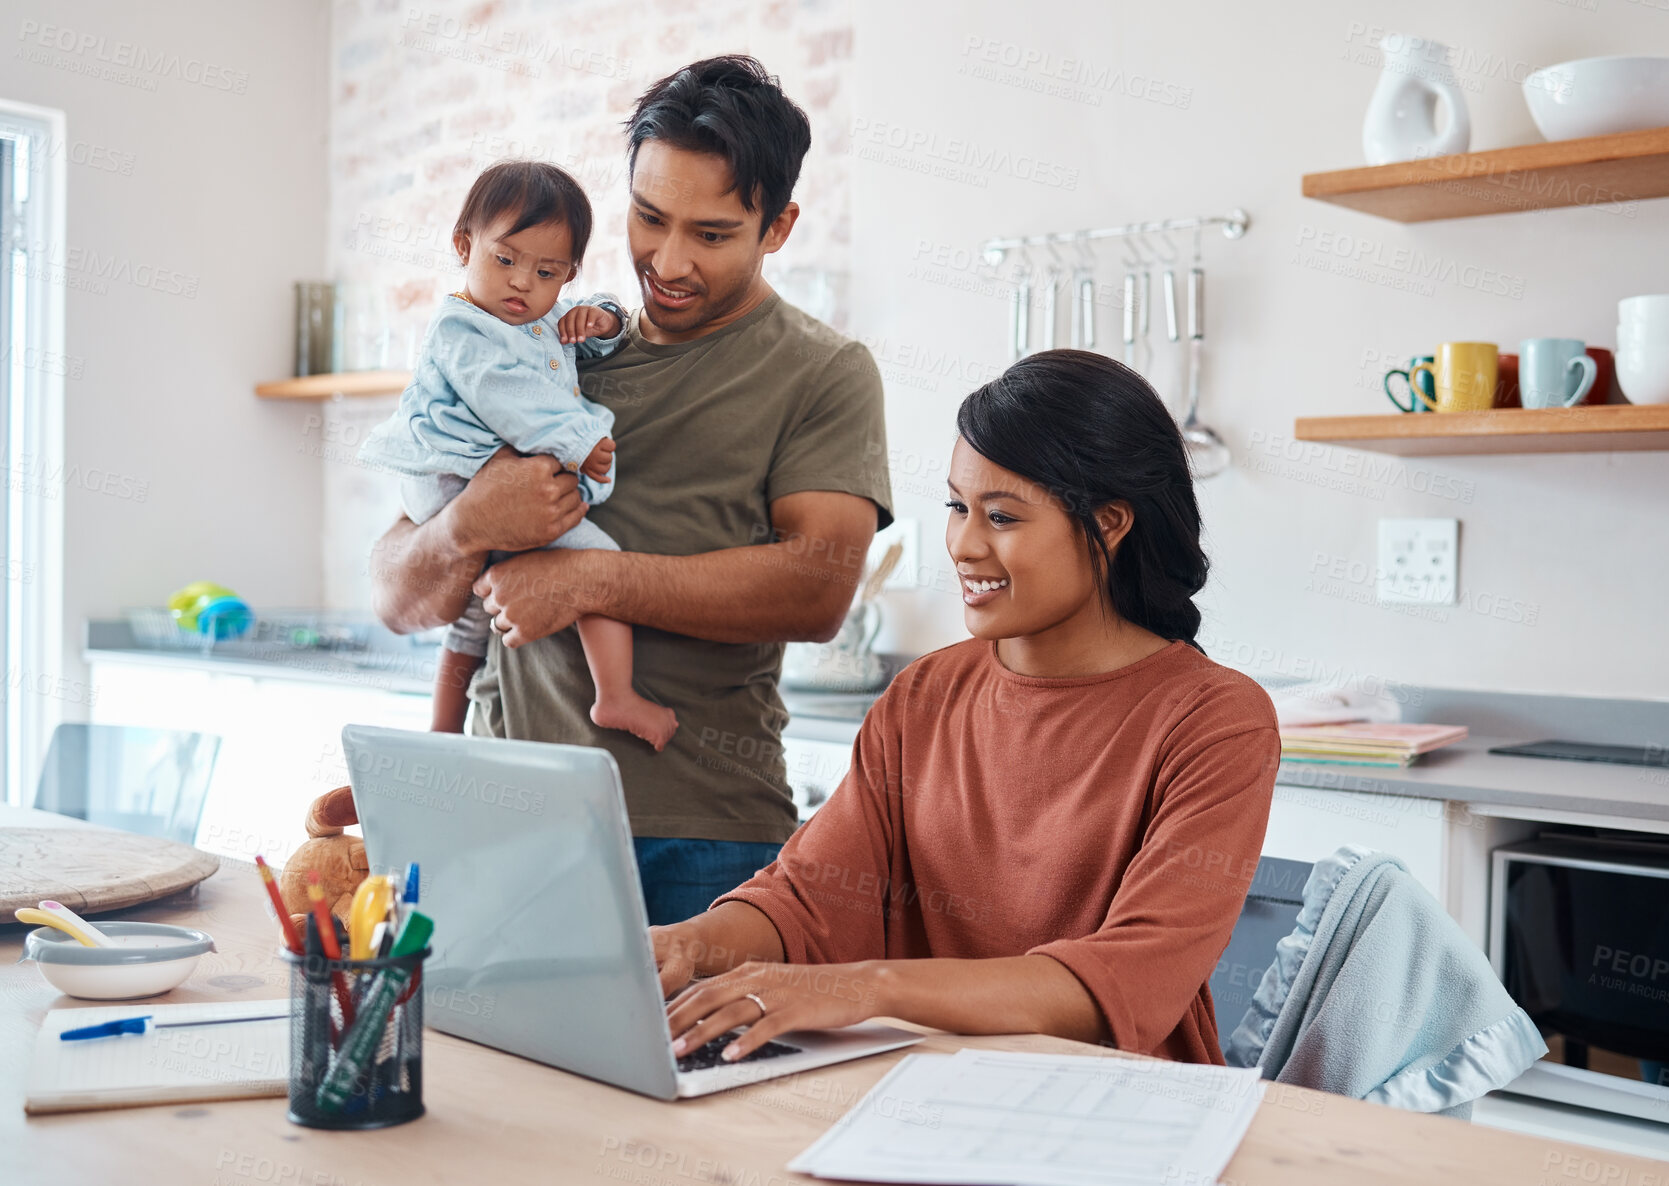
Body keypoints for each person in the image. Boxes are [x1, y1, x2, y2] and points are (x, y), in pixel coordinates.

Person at [369, 56, 893, 924]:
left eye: (713, 233)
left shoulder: (823, 372)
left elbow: (818, 588)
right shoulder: (540, 348)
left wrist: (591, 580)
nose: (670, 261)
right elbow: (395, 593)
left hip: (706, 838)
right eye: (649, 219)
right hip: (507, 818)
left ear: (779, 226)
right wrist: (467, 524)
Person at [651, 350, 1282, 1067]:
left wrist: (869, 988)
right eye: (957, 506)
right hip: (918, 1089)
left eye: (1003, 517)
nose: (964, 544)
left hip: (1120, 1110)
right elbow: (808, 898)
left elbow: (1127, 981)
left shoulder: (1216, 719)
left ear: (1109, 523)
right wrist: (682, 943)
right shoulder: (924, 695)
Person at [359, 161, 677, 750]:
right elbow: (508, 397)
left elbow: (587, 330)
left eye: (547, 271)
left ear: (567, 274)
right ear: (464, 245)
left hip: (464, 477)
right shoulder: (465, 326)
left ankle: (442, 732)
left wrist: (601, 317)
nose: (522, 283)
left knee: (473, 614)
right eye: (505, 260)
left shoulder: (539, 316)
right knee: (599, 558)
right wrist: (579, 444)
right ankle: (617, 696)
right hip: (453, 476)